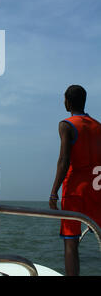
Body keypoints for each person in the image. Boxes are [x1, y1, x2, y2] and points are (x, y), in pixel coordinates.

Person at [49, 85, 101, 276]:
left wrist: (54, 192)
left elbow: (64, 160)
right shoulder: (98, 126)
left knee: (71, 244)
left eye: (64, 99)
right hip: (97, 190)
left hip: (74, 192)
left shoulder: (66, 125)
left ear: (68, 101)